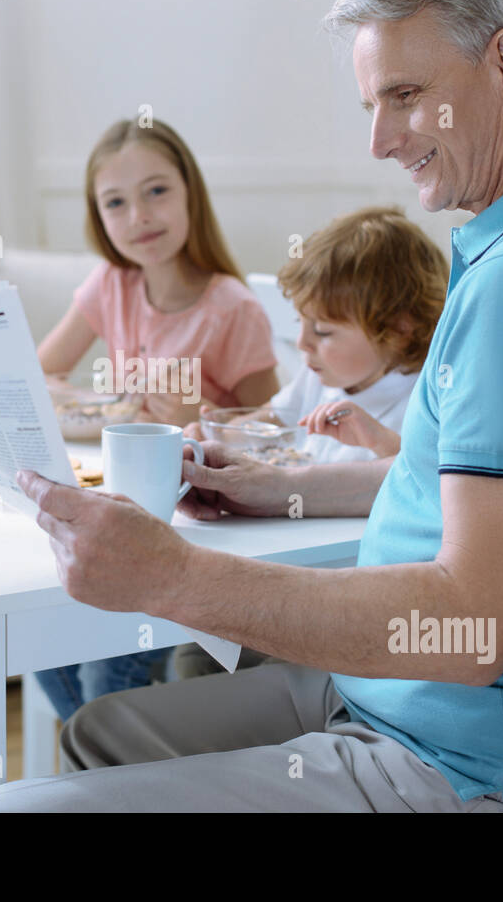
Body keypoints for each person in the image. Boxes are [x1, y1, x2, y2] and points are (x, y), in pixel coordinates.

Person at [0, 0, 503, 813]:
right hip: (407, 700)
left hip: (456, 755)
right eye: (372, 104)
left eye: (405, 96)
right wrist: (289, 490)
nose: (380, 140)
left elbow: (476, 625)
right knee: (102, 731)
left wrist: (172, 577)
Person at [32, 117, 280, 720]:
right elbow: (40, 377)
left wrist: (201, 417)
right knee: (39, 631)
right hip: (117, 507)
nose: (138, 216)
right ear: (99, 217)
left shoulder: (231, 308)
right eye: (116, 202)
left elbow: (272, 430)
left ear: (190, 191)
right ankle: (111, 761)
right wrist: (107, 407)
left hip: (193, 530)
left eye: (157, 191)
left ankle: (113, 764)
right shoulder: (111, 285)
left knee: (100, 663)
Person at [174, 205, 448, 678]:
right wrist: (215, 431)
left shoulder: (424, 392)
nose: (301, 344)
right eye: (300, 323)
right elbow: (268, 422)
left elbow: (427, 482)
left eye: (322, 331)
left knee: (201, 660)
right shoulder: (317, 376)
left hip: (342, 602)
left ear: (401, 328)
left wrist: (379, 439)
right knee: (190, 651)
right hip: (284, 561)